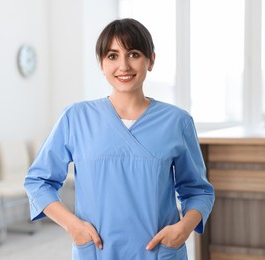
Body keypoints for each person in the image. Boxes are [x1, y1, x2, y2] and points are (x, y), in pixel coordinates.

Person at [24, 18, 214, 260]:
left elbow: (198, 191)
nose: (123, 65)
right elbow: (38, 181)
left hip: (159, 252)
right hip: (96, 251)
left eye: (133, 54)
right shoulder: (76, 118)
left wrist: (182, 229)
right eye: (112, 56)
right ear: (101, 64)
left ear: (151, 60)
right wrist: (73, 226)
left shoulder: (177, 122)